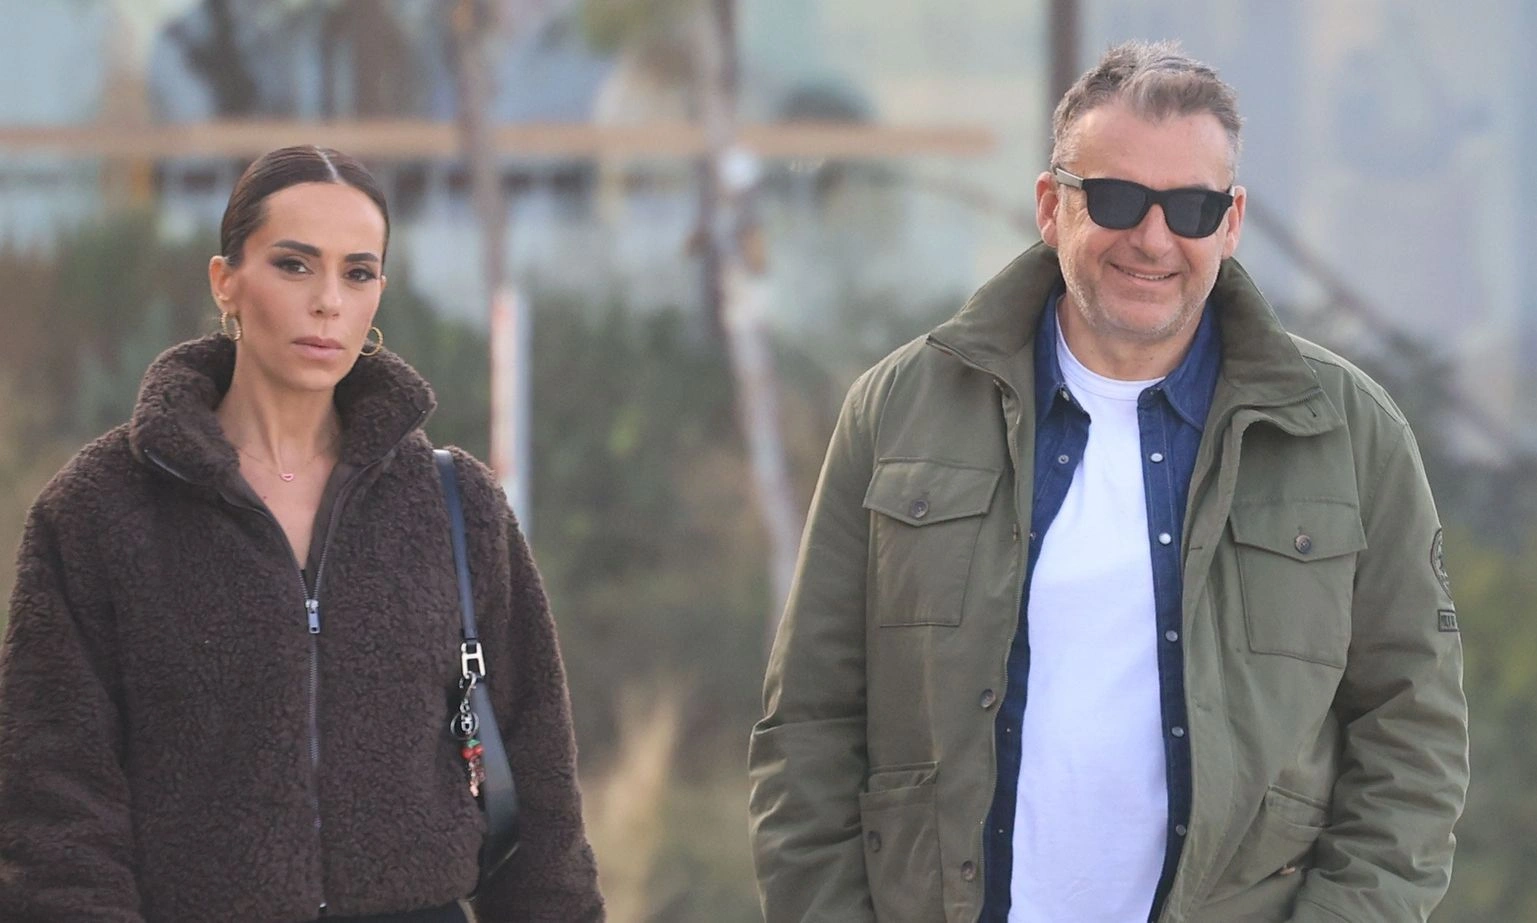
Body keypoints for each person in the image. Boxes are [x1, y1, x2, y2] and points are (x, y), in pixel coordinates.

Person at [748, 40, 1467, 923]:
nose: (1153, 238)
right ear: (1051, 206)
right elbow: (810, 722)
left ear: (1231, 223)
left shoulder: (1350, 435)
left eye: (1192, 207)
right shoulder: (899, 410)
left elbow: (1412, 738)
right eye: (1118, 198)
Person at [0, 145, 604, 922]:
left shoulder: (455, 504)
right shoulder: (101, 508)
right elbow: (54, 807)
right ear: (226, 281)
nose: (328, 301)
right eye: (294, 265)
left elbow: (542, 798)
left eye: (357, 273)